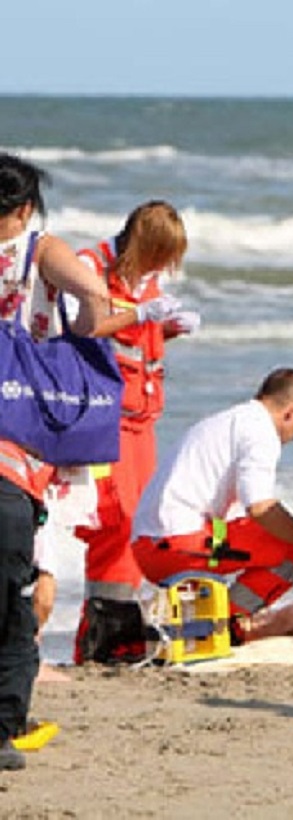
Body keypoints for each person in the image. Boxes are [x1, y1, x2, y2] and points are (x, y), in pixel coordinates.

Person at [0, 153, 110, 771]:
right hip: (27, 423)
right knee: (36, 577)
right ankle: (10, 707)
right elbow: (92, 299)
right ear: (24, 209)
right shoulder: (41, 250)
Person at [71, 201, 201, 664]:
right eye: (161, 255)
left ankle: (119, 633)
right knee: (112, 520)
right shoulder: (89, 267)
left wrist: (168, 328)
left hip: (142, 422)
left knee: (138, 524)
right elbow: (80, 328)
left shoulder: (148, 282)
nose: (164, 267)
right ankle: (99, 635)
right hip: (103, 419)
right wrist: (141, 314)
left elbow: (139, 341)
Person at [131, 369, 293, 633]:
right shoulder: (261, 432)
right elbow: (260, 507)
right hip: (175, 547)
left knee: (268, 533)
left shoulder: (226, 421)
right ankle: (225, 625)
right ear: (292, 411)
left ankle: (215, 619)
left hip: (150, 544)